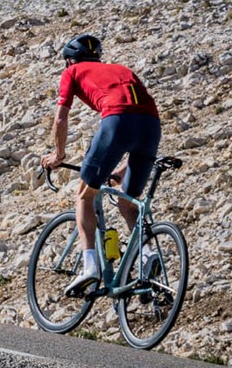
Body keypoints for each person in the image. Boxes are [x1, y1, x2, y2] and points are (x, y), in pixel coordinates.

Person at [39, 34, 162, 295]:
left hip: (117, 122)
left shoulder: (72, 72)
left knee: (85, 195)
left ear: (69, 61)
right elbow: (138, 114)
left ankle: (90, 267)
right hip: (151, 126)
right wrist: (122, 167)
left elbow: (61, 118)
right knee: (127, 200)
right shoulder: (121, 69)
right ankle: (148, 253)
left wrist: (58, 156)